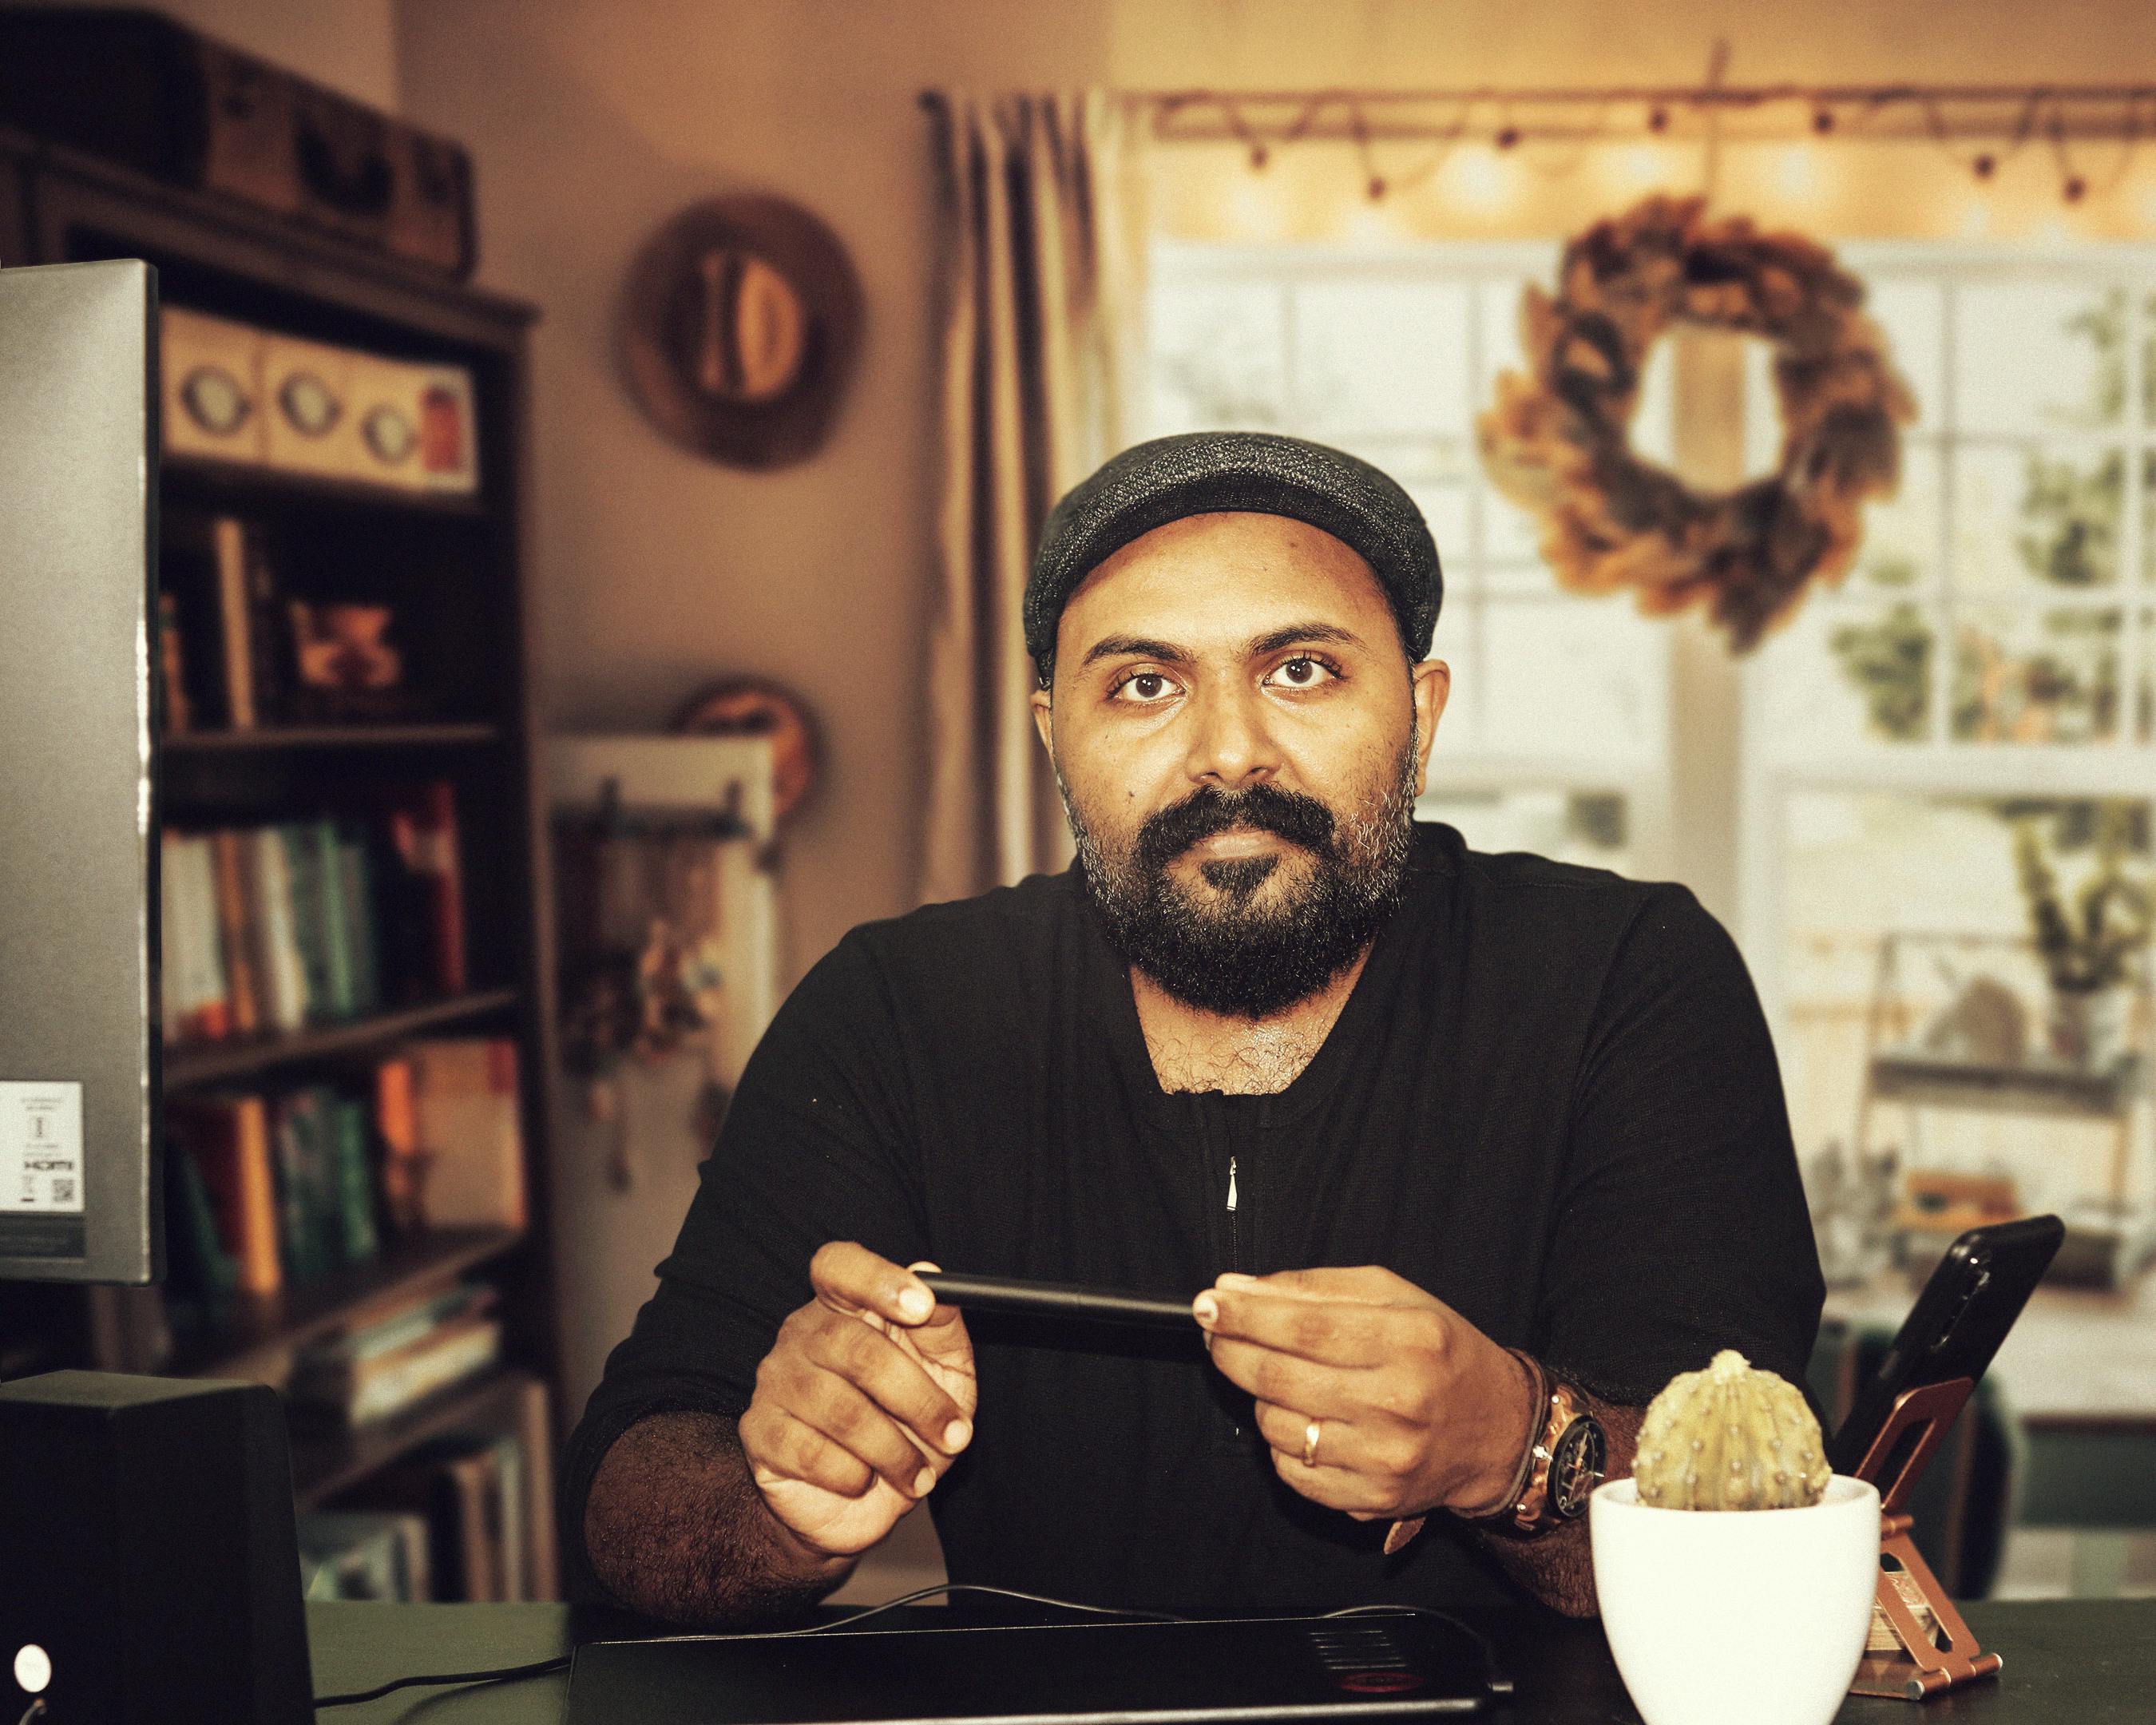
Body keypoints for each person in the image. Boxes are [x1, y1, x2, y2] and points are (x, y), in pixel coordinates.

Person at [565, 430, 1825, 1626]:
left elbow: (1754, 1542)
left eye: (1301, 670)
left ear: (1422, 714)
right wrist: (779, 1503)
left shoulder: (1626, 980)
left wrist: (1512, 1443)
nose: (1230, 752)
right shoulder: (898, 1011)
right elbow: (623, 1501)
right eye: (1147, 684)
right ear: (1059, 734)